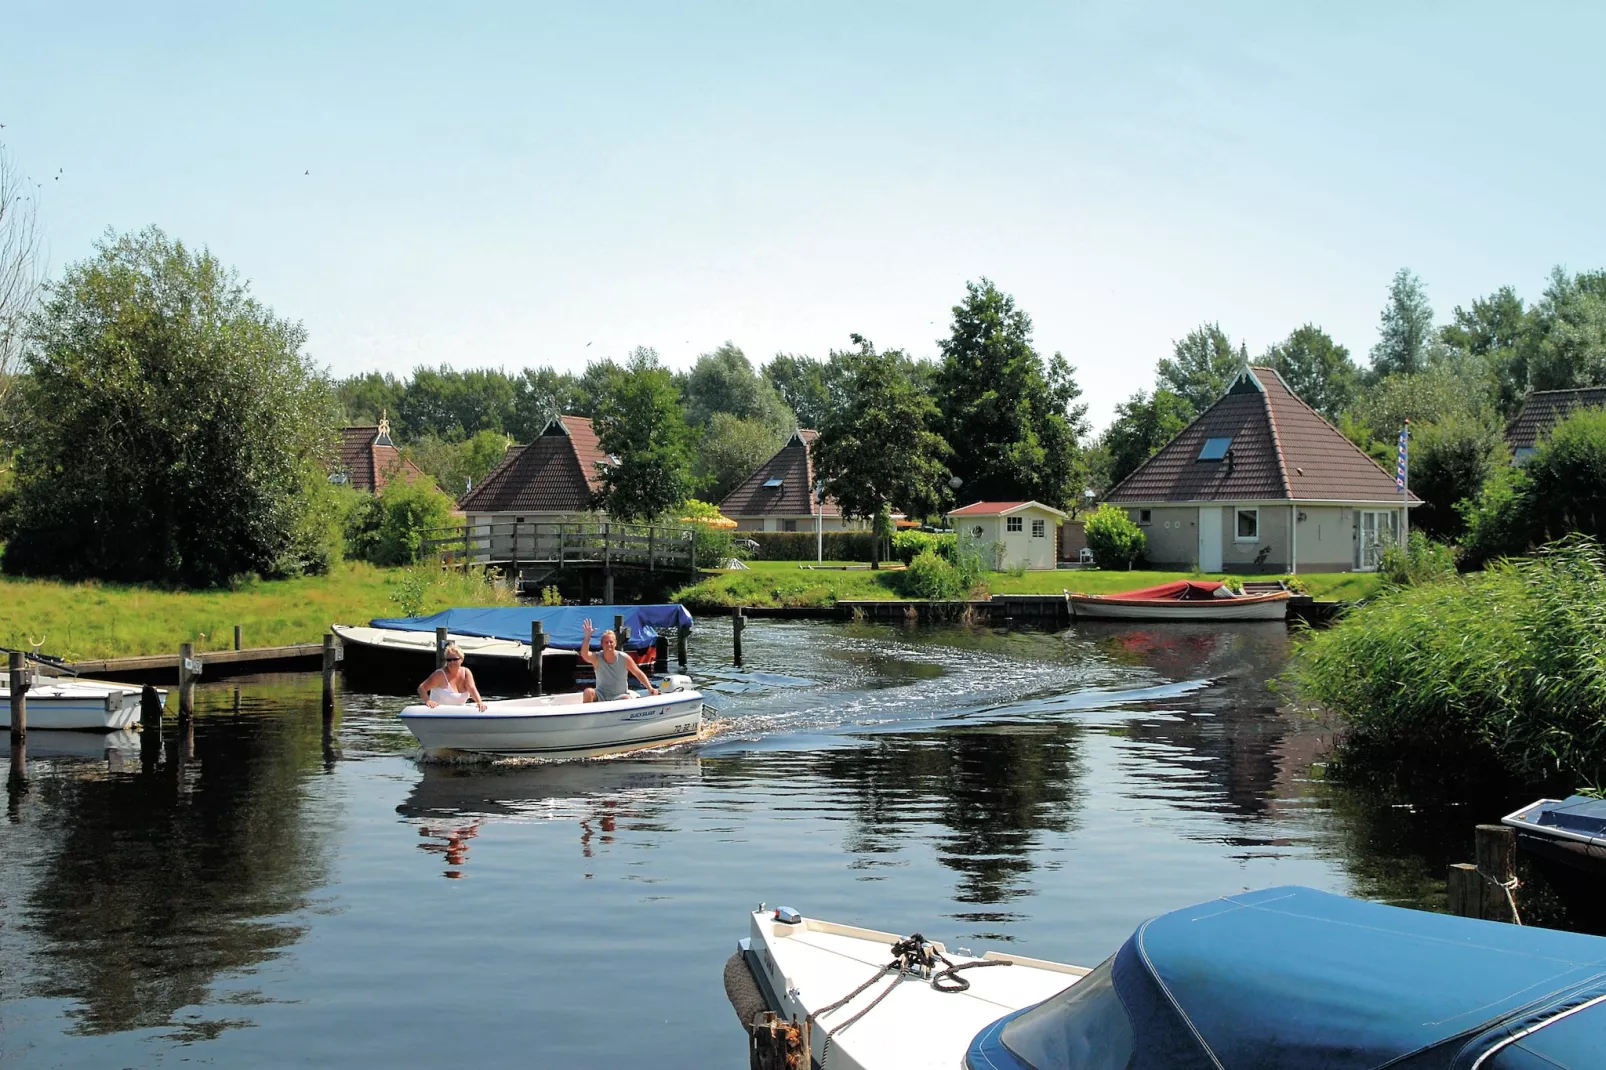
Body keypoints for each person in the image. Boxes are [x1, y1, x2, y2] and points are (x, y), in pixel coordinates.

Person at [579, 618, 659, 702]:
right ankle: (589, 715)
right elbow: (584, 654)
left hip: (619, 696)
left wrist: (650, 688)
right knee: (588, 692)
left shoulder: (624, 658)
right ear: (602, 644)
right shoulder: (597, 658)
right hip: (601, 695)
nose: (609, 644)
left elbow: (638, 673)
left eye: (611, 642)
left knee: (626, 699)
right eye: (606, 642)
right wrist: (587, 637)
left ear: (615, 643)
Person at [417, 643, 488, 711]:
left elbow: (472, 688)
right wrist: (428, 701)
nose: (452, 662)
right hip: (437, 714)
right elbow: (421, 688)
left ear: (461, 659)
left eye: (455, 659)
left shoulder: (466, 673)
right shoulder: (439, 674)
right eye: (449, 660)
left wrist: (479, 702)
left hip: (458, 715)